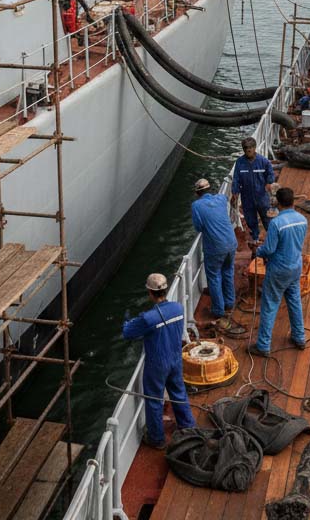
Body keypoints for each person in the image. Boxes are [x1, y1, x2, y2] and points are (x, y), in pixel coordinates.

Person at [121, 273, 196, 448]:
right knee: (178, 393)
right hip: (175, 359)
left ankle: (157, 439)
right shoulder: (178, 308)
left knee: (154, 400)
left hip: (157, 364)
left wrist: (127, 320)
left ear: (150, 292)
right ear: (166, 289)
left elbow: (127, 332)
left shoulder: (149, 318)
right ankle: (188, 426)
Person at [249, 186, 308, 357]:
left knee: (269, 305)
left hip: (278, 270)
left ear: (278, 203)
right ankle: (299, 338)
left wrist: (257, 250)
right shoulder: (303, 220)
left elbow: (269, 249)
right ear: (292, 201)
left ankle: (263, 345)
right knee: (294, 302)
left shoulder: (276, 223)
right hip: (295, 267)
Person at [190, 177, 237, 324]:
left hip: (215, 247)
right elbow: (227, 199)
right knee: (228, 271)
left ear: (197, 193)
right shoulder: (221, 198)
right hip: (231, 242)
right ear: (210, 189)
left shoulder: (196, 206)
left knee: (214, 276)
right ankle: (230, 302)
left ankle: (218, 310)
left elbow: (198, 227)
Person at [232, 137, 275, 242]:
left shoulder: (263, 161)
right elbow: (236, 179)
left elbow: (270, 173)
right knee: (250, 220)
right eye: (245, 148)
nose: (248, 150)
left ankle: (273, 239)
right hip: (247, 197)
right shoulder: (239, 162)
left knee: (267, 219)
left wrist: (269, 183)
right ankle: (255, 239)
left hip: (262, 197)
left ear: (255, 148)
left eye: (250, 147)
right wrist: (235, 193)